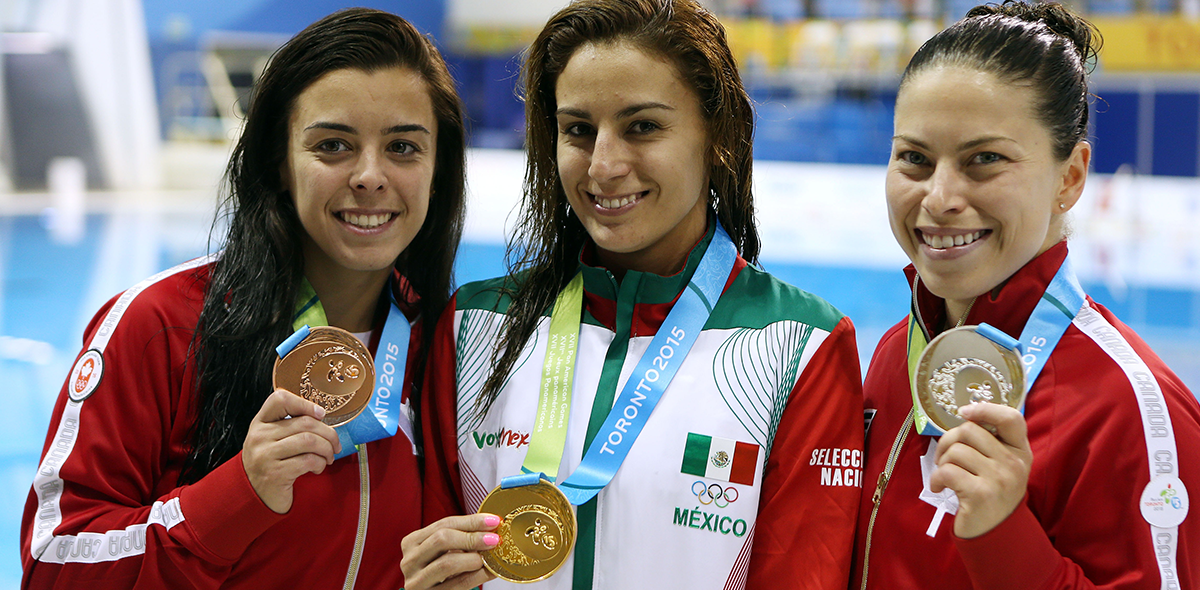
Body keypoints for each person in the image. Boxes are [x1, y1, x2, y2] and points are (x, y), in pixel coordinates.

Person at [401, 1, 864, 589]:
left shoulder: (802, 347)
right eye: (578, 130)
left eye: (642, 126)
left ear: (716, 133)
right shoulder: (474, 327)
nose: (603, 165)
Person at [19, 8, 465, 589]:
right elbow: (52, 563)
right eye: (333, 145)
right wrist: (235, 496)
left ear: (437, 168)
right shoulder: (161, 325)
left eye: (404, 147)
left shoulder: (449, 344)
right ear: (279, 163)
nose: (370, 176)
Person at [852, 2, 1200, 588]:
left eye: (984, 160)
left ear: (1070, 177)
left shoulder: (1133, 412)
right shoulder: (898, 355)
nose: (939, 197)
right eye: (914, 158)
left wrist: (1003, 537)